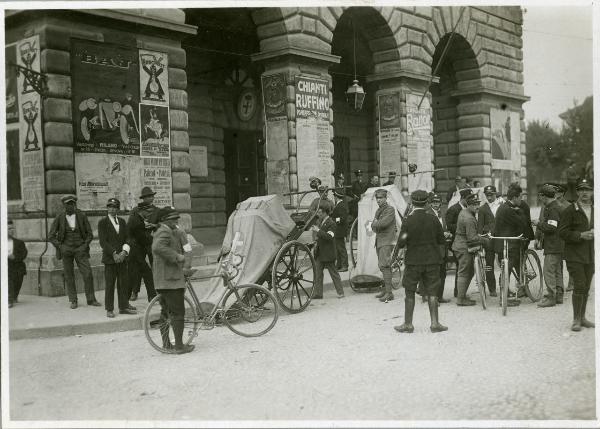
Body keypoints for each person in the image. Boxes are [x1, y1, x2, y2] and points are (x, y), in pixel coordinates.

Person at [394, 190, 447, 333]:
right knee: (432, 292)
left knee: (410, 292)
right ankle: (435, 323)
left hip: (413, 262)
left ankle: (408, 324)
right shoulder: (434, 219)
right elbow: (442, 241)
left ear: (412, 202)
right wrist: (439, 258)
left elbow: (401, 242)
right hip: (432, 260)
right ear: (427, 203)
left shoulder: (408, 221)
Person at [152, 207, 195, 354]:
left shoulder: (176, 231)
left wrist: (187, 265)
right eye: (174, 219)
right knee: (177, 313)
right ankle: (179, 346)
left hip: (166, 279)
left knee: (166, 312)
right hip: (170, 280)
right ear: (166, 220)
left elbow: (188, 250)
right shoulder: (164, 231)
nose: (177, 221)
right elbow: (157, 247)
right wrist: (177, 257)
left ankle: (166, 344)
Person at [49, 195, 100, 309]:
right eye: (68, 204)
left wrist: (84, 245)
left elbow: (90, 234)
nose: (70, 206)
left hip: (80, 249)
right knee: (69, 275)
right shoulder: (59, 217)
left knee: (87, 274)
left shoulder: (82, 216)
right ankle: (73, 300)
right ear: (64, 205)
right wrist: (60, 246)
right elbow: (51, 236)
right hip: (66, 250)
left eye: (72, 204)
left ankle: (91, 299)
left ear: (75, 204)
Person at [558, 179, 595, 332]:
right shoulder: (570, 210)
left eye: (588, 190)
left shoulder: (595, 209)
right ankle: (576, 319)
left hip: (591, 255)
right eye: (582, 190)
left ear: (592, 192)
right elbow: (562, 232)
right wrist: (580, 235)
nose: (585, 193)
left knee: (586, 286)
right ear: (577, 192)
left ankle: (583, 317)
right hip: (575, 255)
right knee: (579, 285)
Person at [98, 198, 137, 318]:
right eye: (110, 207)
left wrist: (124, 252)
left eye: (115, 207)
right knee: (110, 284)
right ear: (107, 208)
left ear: (118, 209)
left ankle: (123, 306)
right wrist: (114, 253)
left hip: (122, 258)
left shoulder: (122, 222)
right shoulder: (102, 223)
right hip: (110, 259)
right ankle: (109, 309)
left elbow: (128, 238)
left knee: (123, 283)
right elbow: (103, 242)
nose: (112, 209)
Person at [493, 186, 529, 306]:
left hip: (503, 243)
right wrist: (520, 211)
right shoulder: (509, 209)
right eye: (520, 197)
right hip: (509, 245)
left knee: (506, 270)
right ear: (515, 197)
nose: (522, 200)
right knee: (507, 271)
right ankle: (504, 299)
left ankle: (510, 293)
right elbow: (522, 223)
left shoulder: (503, 207)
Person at [452, 193, 489, 306]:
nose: (477, 207)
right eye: (474, 205)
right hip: (464, 247)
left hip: (460, 245)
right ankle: (460, 299)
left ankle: (462, 295)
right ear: (468, 205)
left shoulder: (464, 212)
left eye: (478, 204)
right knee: (464, 272)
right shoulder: (469, 218)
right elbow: (472, 238)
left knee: (469, 271)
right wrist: (485, 240)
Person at [533, 185, 565, 307]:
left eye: (540, 196)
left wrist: (538, 224)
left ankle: (551, 297)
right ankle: (559, 295)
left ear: (543, 196)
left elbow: (551, 227)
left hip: (553, 244)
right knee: (557, 270)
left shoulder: (553, 208)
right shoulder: (556, 206)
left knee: (549, 270)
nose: (540, 198)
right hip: (559, 244)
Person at [127, 186, 159, 302]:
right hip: (138, 244)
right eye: (147, 197)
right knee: (137, 269)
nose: (150, 198)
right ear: (143, 198)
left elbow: (162, 225)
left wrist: (154, 226)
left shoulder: (157, 211)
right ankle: (134, 292)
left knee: (154, 268)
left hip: (151, 243)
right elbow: (129, 226)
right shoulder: (136, 210)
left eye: (151, 196)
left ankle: (154, 294)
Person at [311, 203, 345, 299]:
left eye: (320, 212)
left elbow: (330, 237)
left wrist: (318, 231)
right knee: (318, 274)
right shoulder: (321, 221)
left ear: (326, 213)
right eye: (318, 212)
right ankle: (318, 293)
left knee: (334, 273)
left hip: (328, 253)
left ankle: (340, 292)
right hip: (320, 252)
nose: (319, 214)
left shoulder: (331, 223)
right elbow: (319, 236)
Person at [369, 189, 397, 303]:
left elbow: (383, 223)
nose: (378, 200)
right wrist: (375, 225)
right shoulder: (378, 211)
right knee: (382, 266)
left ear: (386, 198)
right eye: (377, 198)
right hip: (380, 240)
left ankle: (389, 293)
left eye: (381, 198)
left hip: (387, 240)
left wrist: (375, 224)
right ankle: (386, 290)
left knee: (385, 265)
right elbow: (374, 227)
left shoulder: (390, 209)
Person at [445, 187, 473, 297]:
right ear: (463, 198)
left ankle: (461, 291)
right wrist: (461, 228)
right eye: (468, 199)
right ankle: (458, 293)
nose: (470, 201)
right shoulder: (453, 209)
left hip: (466, 241)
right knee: (461, 267)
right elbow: (449, 225)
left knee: (465, 267)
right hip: (456, 242)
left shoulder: (468, 209)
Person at [477, 185, 502, 297]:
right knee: (489, 265)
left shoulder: (502, 205)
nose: (489, 197)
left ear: (495, 194)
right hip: (489, 240)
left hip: (500, 238)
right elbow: (480, 226)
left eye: (491, 194)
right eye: (487, 195)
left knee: (504, 263)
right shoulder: (483, 209)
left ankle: (504, 286)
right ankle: (492, 289)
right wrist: (480, 238)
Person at [426, 193, 452, 303]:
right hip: (433, 248)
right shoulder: (428, 214)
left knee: (442, 273)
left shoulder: (442, 213)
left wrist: (447, 233)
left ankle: (439, 296)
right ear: (430, 203)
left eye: (437, 202)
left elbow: (443, 227)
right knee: (434, 274)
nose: (436, 204)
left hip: (442, 247)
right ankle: (433, 298)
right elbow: (429, 232)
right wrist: (443, 234)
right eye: (433, 202)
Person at [7, 219, 27, 308]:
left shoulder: (19, 242)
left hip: (17, 265)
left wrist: (15, 257)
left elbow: (24, 254)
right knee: (9, 280)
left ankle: (14, 296)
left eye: (12, 228)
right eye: (9, 229)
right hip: (7, 267)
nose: (11, 230)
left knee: (17, 281)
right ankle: (9, 300)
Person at [331, 190, 349, 272]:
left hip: (340, 230)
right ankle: (339, 265)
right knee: (338, 249)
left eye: (334, 196)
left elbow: (342, 218)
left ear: (336, 197)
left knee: (341, 249)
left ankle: (344, 266)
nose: (334, 197)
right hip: (338, 231)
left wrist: (333, 220)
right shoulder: (339, 205)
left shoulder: (341, 205)